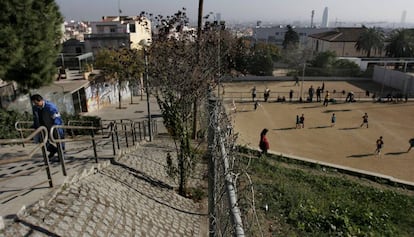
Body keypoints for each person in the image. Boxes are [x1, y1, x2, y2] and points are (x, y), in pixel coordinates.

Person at [31, 94, 65, 159]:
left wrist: (55, 128)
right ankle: (53, 150)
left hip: (54, 126)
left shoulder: (50, 107)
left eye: (36, 103)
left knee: (59, 141)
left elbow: (57, 118)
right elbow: (36, 118)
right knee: (43, 141)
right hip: (43, 127)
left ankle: (61, 155)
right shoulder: (36, 108)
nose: (35, 104)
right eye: (34, 103)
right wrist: (36, 127)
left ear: (41, 100)